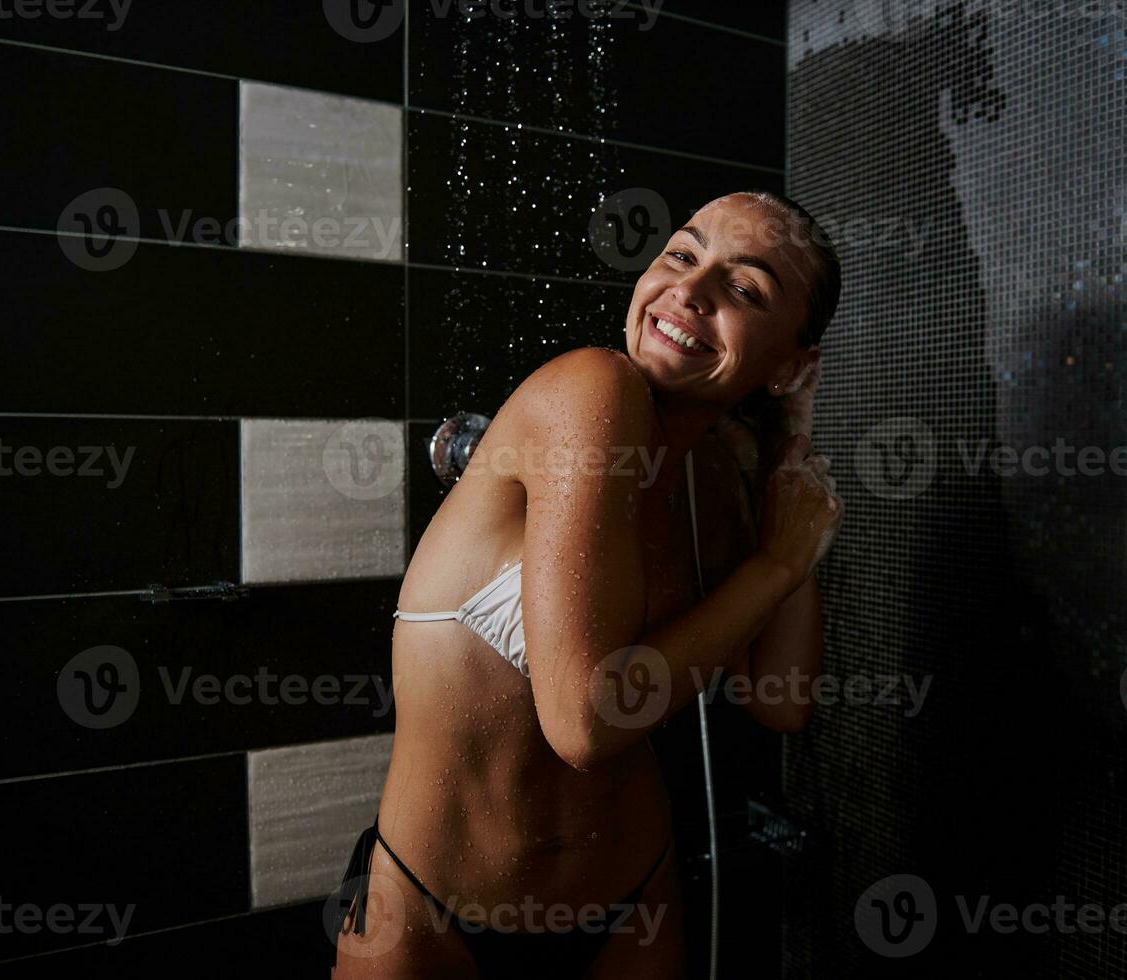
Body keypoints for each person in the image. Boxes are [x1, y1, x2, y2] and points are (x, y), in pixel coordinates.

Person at [330, 190, 844, 979]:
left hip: (630, 909)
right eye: (680, 253)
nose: (689, 289)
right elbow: (585, 722)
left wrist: (788, 453)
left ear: (790, 366)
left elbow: (778, 698)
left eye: (743, 289)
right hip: (430, 918)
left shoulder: (721, 474)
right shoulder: (589, 389)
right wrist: (779, 564)